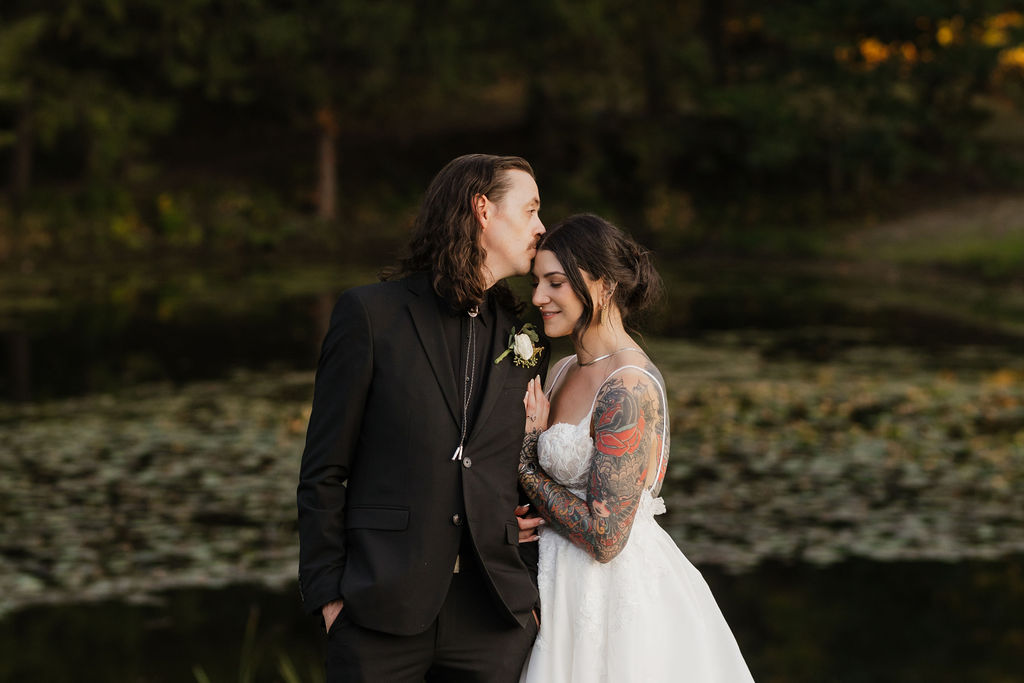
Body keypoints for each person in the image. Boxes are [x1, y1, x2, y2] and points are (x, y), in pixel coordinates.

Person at [297, 154, 548, 682]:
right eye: (530, 210)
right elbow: (324, 470)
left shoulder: (522, 334)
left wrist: (527, 589)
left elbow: (512, 467)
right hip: (378, 610)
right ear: (483, 210)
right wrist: (328, 597)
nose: (541, 227)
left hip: (493, 616)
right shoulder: (371, 315)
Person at [518, 214, 755, 682]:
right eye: (536, 283)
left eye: (555, 283)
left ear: (603, 286)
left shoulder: (627, 386)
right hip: (553, 582)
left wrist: (526, 462)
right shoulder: (562, 370)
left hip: (607, 593)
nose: (539, 297)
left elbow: (606, 537)